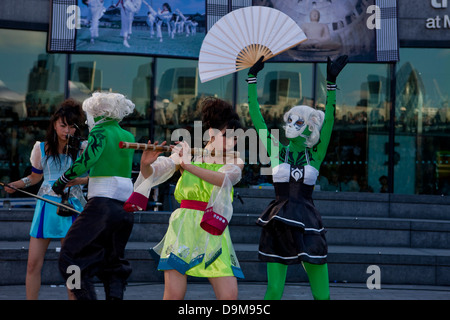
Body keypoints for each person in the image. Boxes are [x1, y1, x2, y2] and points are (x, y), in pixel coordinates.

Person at [246, 55, 348, 300]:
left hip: (308, 222)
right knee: (274, 290)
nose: (290, 124)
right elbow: (257, 119)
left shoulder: (315, 153)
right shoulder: (275, 148)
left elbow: (330, 121)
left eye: (298, 121)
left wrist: (331, 84)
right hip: (279, 222)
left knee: (322, 294)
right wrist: (251, 79)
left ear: (310, 127)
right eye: (289, 119)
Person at [126, 97, 244, 299]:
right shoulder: (188, 155)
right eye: (228, 136)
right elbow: (156, 172)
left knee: (229, 297)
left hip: (213, 228)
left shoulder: (235, 160)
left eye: (236, 137)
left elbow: (224, 179)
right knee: (173, 294)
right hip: (183, 226)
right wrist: (146, 165)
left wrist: (189, 166)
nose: (233, 142)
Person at [52, 92, 135, 300]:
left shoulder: (99, 131)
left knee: (68, 258)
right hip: (124, 207)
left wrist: (62, 180)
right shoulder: (128, 136)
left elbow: (88, 160)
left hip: (102, 205)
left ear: (97, 113)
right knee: (114, 266)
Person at [5, 99, 87, 300]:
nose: (67, 130)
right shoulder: (41, 148)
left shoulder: (84, 148)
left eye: (71, 126)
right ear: (54, 124)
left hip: (72, 207)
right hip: (45, 208)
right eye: (63, 125)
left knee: (72, 265)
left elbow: (95, 177)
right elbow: (35, 177)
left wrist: (78, 179)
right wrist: (16, 184)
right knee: (33, 263)